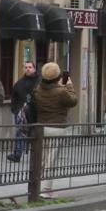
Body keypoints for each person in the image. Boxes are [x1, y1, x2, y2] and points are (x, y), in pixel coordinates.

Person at [33, 62, 78, 192]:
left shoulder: (38, 90)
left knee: (41, 159)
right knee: (50, 161)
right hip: (56, 128)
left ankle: (36, 187)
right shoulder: (61, 92)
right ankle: (46, 190)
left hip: (41, 128)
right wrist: (69, 87)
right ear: (57, 76)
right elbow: (73, 101)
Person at [7, 61, 40, 163]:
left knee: (35, 132)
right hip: (21, 112)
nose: (28, 69)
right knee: (20, 132)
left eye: (30, 67)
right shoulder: (19, 83)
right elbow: (14, 97)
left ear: (34, 69)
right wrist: (15, 109)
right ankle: (17, 154)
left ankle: (37, 155)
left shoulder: (39, 81)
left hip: (35, 111)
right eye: (26, 67)